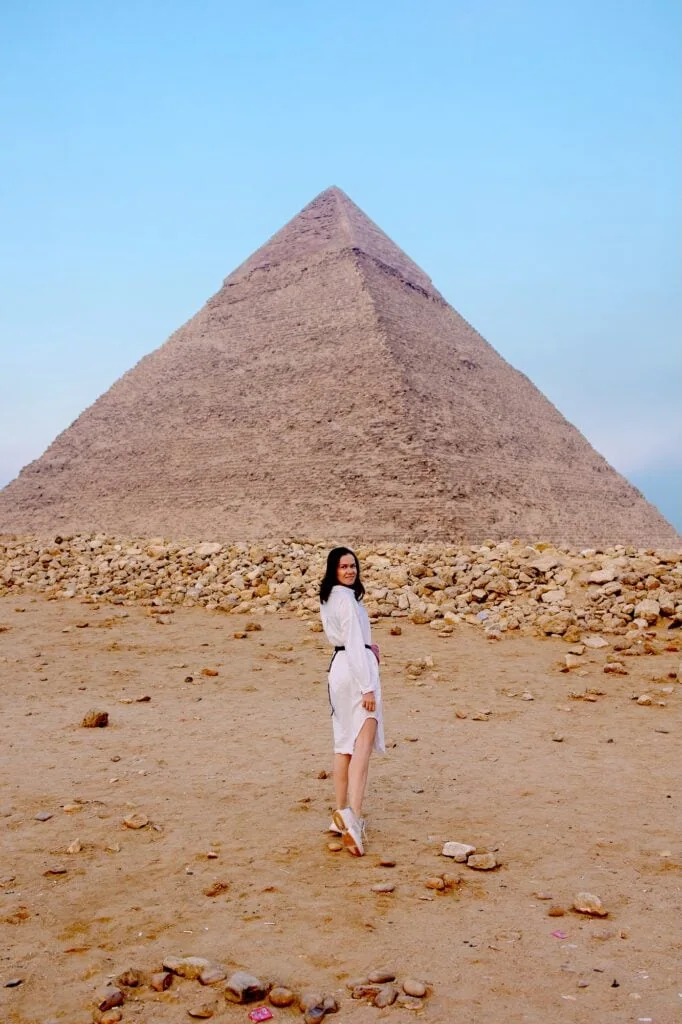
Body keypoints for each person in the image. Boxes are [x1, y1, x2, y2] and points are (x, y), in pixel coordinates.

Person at [319, 546, 385, 856]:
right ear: (333, 569)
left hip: (338, 668)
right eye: (344, 566)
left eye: (353, 566)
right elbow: (355, 646)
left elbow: (351, 641)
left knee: (343, 742)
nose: (350, 571)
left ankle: (340, 812)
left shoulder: (331, 597)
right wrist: (368, 687)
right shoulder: (346, 599)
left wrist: (370, 646)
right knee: (363, 741)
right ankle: (354, 818)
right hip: (354, 672)